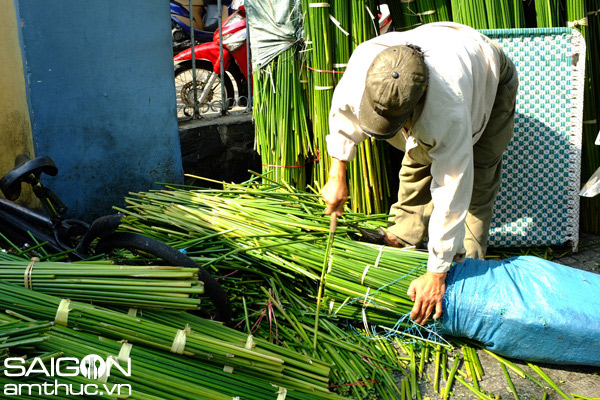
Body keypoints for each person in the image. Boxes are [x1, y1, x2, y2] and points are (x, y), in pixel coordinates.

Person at [321, 22, 519, 325]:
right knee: (417, 156)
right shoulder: (366, 64)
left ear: (422, 95)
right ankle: (402, 236)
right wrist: (338, 171)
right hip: (441, 50)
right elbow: (343, 113)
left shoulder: (448, 107)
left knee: (477, 176)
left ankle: (464, 270)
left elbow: (453, 187)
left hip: (488, 71)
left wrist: (436, 273)